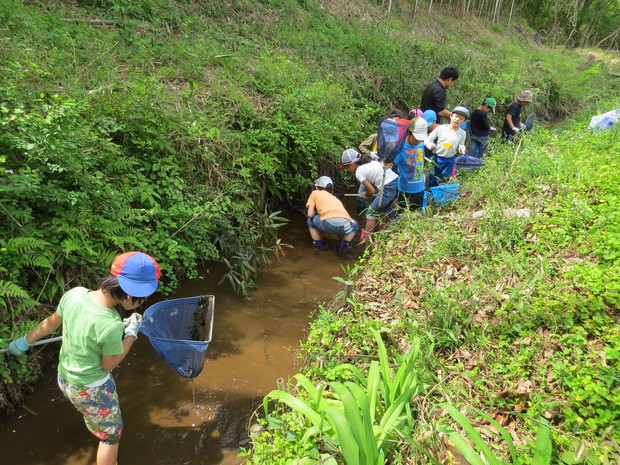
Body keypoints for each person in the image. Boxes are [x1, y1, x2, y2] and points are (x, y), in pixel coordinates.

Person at [7, 251, 161, 465]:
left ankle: (92, 417)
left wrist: (24, 341)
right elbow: (109, 364)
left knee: (93, 416)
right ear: (128, 292)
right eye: (142, 296)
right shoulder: (111, 324)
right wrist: (131, 335)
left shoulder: (76, 294)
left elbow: (51, 322)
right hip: (92, 389)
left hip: (65, 379)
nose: (142, 302)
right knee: (111, 435)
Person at [338, 148, 398, 240]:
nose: (347, 170)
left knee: (371, 212)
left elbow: (372, 191)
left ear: (351, 164)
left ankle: (366, 238)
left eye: (346, 167)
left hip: (388, 187)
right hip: (396, 181)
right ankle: (382, 231)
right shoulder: (370, 162)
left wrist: (364, 195)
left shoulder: (359, 172)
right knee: (384, 209)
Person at [306, 176, 359, 253]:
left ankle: (318, 248)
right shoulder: (335, 198)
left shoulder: (315, 193)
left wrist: (315, 214)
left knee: (310, 221)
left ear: (316, 188)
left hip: (329, 224)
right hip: (345, 225)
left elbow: (310, 214)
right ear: (332, 191)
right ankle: (342, 250)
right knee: (355, 224)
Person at [425, 106, 469, 187]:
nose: (457, 119)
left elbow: (461, 145)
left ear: (464, 121)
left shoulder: (462, 133)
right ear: (451, 116)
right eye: (456, 116)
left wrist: (461, 149)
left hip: (449, 160)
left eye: (461, 118)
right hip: (436, 158)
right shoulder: (441, 128)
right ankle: (430, 194)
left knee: (443, 181)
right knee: (432, 179)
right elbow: (428, 139)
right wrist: (429, 144)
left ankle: (439, 196)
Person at [394, 117, 428, 211]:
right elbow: (391, 165)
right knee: (404, 216)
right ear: (409, 133)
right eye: (417, 138)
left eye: (421, 139)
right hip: (406, 190)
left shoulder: (421, 144)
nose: (418, 141)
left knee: (416, 215)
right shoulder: (401, 148)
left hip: (420, 187)